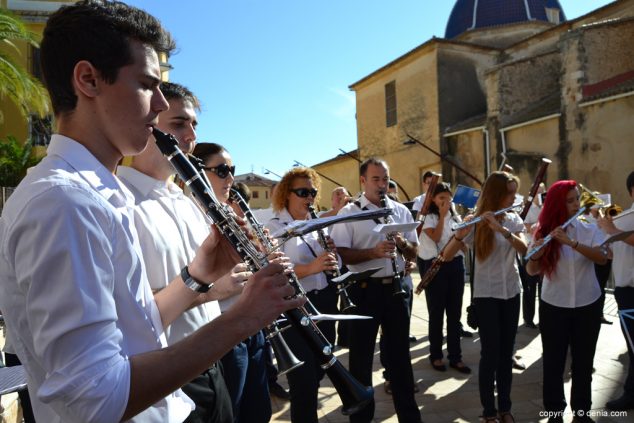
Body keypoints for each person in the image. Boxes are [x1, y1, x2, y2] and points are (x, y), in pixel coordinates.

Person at [0, 2, 301, 422]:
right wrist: (243, 319)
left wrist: (197, 273)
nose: (160, 105)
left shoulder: (97, 194)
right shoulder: (64, 203)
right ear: (88, 79)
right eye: (147, 84)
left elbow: (139, 330)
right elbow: (97, 400)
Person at [117, 81, 244, 423]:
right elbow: (126, 309)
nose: (191, 137)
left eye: (193, 125)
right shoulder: (118, 203)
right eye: (178, 124)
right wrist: (214, 288)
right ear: (148, 125)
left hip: (212, 364)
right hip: (165, 377)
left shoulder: (189, 203)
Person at [330, 158, 422, 423]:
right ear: (362, 181)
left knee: (400, 357)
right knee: (360, 359)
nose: (382, 185)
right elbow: (342, 255)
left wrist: (402, 242)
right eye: (376, 179)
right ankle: (362, 418)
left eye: (385, 179)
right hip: (364, 290)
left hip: (396, 288)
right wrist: (373, 252)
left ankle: (409, 416)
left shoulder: (400, 211)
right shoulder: (349, 212)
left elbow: (415, 251)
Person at [192, 142, 272, 423]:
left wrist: (263, 256)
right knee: (233, 413)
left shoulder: (231, 217)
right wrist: (220, 286)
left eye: (232, 171)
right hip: (222, 331)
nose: (231, 179)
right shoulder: (190, 219)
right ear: (198, 173)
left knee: (259, 412)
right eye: (222, 170)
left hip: (251, 326)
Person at [444, 171, 528, 423]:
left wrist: (501, 229)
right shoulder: (476, 221)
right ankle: (488, 411)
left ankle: (505, 408)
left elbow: (525, 249)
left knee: (506, 355)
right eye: (509, 193)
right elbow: (447, 255)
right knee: (490, 354)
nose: (514, 197)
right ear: (496, 194)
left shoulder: (512, 220)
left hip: (511, 292)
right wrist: (462, 232)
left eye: (514, 192)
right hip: (486, 296)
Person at [526, 181, 608, 423]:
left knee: (584, 362)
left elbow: (602, 258)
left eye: (576, 199)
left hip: (587, 303)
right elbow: (531, 270)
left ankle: (582, 413)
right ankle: (554, 413)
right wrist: (538, 254)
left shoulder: (588, 227)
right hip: (554, 305)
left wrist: (572, 243)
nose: (575, 205)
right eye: (569, 201)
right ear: (557, 205)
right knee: (553, 362)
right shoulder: (542, 231)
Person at [265, 167, 340, 423]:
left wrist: (332, 255)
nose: (309, 197)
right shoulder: (274, 227)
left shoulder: (316, 223)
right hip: (296, 308)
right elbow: (273, 270)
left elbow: (328, 263)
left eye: (313, 192)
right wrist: (311, 268)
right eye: (303, 192)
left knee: (321, 368)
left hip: (324, 302)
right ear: (287, 194)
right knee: (303, 383)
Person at [417, 182, 470, 374]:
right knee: (437, 314)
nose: (446, 202)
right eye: (441, 198)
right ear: (433, 199)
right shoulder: (428, 217)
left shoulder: (456, 216)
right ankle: (436, 355)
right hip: (435, 266)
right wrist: (441, 215)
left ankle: (456, 356)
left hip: (455, 265)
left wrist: (462, 242)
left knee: (455, 314)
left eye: (448, 198)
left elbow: (461, 241)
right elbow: (437, 238)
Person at [597, 171, 634, 411]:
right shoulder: (624, 217)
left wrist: (607, 227)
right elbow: (611, 251)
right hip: (626, 291)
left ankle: (631, 395)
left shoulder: (623, 219)